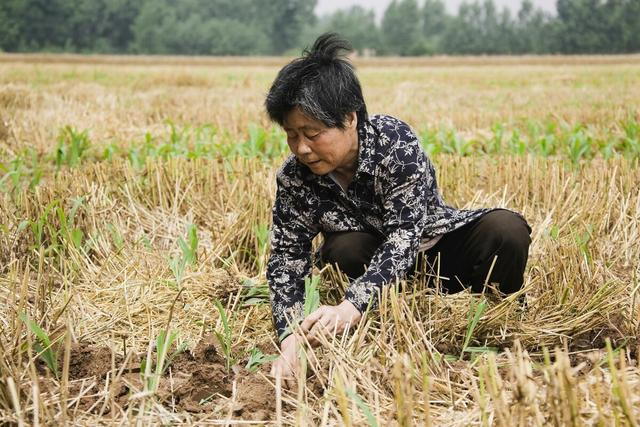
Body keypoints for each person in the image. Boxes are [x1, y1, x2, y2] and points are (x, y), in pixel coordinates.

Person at [264, 33, 531, 386]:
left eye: (312, 134)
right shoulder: (295, 177)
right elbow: (286, 258)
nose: (301, 148)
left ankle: (496, 319)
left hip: (430, 249)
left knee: (505, 230)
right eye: (291, 135)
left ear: (349, 119)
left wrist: (350, 306)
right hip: (365, 260)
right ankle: (387, 313)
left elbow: (405, 235)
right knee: (342, 247)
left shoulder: (395, 143)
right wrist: (290, 339)